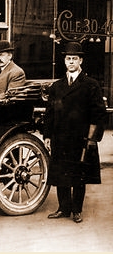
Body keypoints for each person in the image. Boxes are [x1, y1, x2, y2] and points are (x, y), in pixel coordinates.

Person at [43, 41, 107, 224]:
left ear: (81, 61)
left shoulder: (90, 84)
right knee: (61, 174)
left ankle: (77, 210)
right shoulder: (56, 86)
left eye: (74, 58)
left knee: (79, 176)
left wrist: (92, 138)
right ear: (64, 61)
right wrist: (47, 135)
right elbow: (50, 113)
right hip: (60, 137)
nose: (71, 62)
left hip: (81, 139)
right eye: (68, 58)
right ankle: (63, 208)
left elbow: (98, 113)